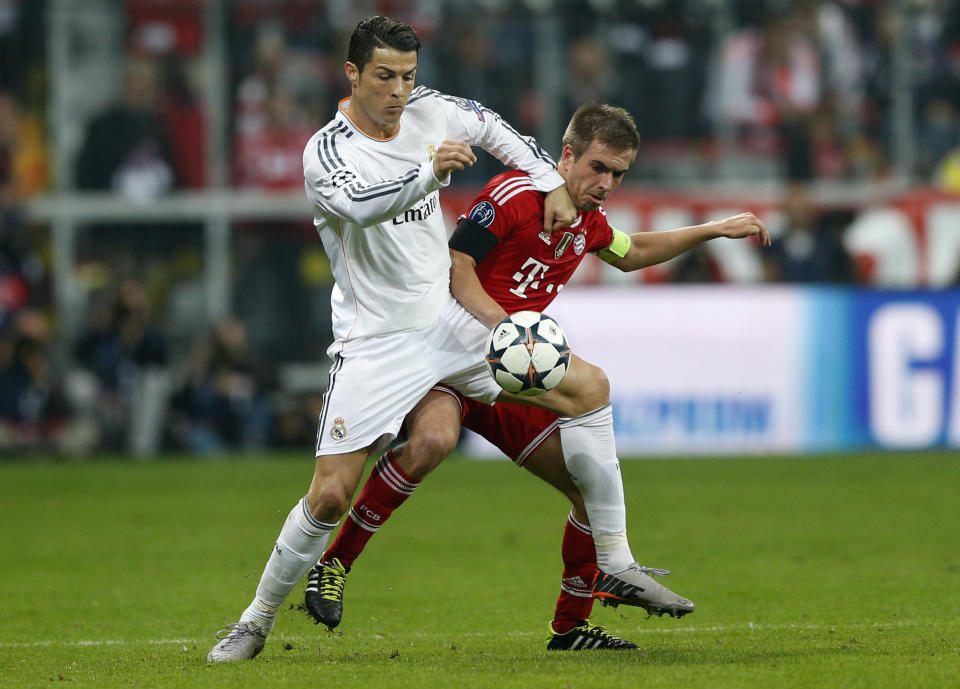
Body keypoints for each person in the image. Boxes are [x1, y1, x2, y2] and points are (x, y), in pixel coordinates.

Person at [306, 103, 771, 650]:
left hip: (512, 372)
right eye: (599, 167)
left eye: (619, 174)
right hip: (449, 353)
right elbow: (459, 271)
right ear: (567, 156)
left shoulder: (590, 224)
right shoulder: (513, 195)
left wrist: (713, 229)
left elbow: (633, 251)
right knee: (432, 440)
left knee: (585, 486)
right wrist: (506, 330)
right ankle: (334, 564)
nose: (607, 183)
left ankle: (571, 627)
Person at [207, 15, 581, 662]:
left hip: (449, 318)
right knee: (328, 492)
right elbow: (361, 203)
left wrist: (550, 181)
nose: (399, 90)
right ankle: (256, 619)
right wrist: (428, 177)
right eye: (384, 75)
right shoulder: (326, 152)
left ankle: (615, 561)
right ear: (351, 74)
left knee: (586, 391)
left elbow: (494, 127)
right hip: (377, 339)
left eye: (408, 76)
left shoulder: (430, 110)